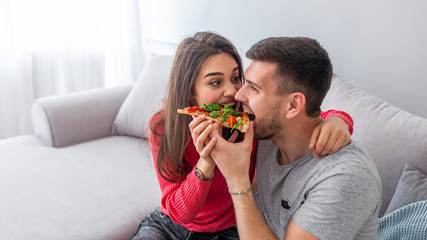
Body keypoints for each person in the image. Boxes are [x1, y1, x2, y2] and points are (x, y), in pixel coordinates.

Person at [132, 32, 354, 239]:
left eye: (236, 78)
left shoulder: (248, 120)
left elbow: (304, 114)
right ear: (191, 91)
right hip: (171, 227)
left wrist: (339, 120)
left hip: (232, 228)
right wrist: (207, 159)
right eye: (216, 82)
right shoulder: (163, 127)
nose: (233, 92)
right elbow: (181, 215)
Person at [197, 37, 382, 240]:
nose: (238, 95)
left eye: (254, 88)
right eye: (245, 82)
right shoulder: (266, 132)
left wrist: (237, 181)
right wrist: (339, 119)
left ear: (294, 105)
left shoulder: (345, 177)